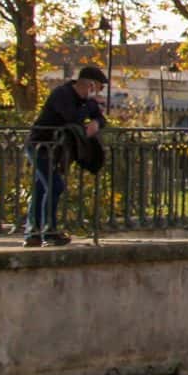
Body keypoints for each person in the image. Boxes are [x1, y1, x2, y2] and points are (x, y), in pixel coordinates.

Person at [25, 64, 107, 246]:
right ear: (90, 85)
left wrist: (96, 122)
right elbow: (72, 116)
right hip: (40, 146)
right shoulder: (62, 94)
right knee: (55, 185)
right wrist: (91, 104)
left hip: (58, 149)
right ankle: (49, 231)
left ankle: (33, 233)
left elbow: (101, 119)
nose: (100, 93)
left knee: (42, 188)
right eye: (100, 87)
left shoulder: (86, 101)